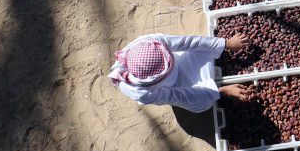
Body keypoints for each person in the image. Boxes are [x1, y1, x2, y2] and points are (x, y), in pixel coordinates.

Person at [108, 33, 254, 113]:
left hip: (178, 65)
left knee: (201, 49)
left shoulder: (150, 42)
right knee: (202, 104)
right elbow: (181, 96)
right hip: (173, 87)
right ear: (156, 79)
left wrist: (225, 44)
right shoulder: (144, 93)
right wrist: (222, 91)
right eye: (168, 67)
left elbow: (188, 42)